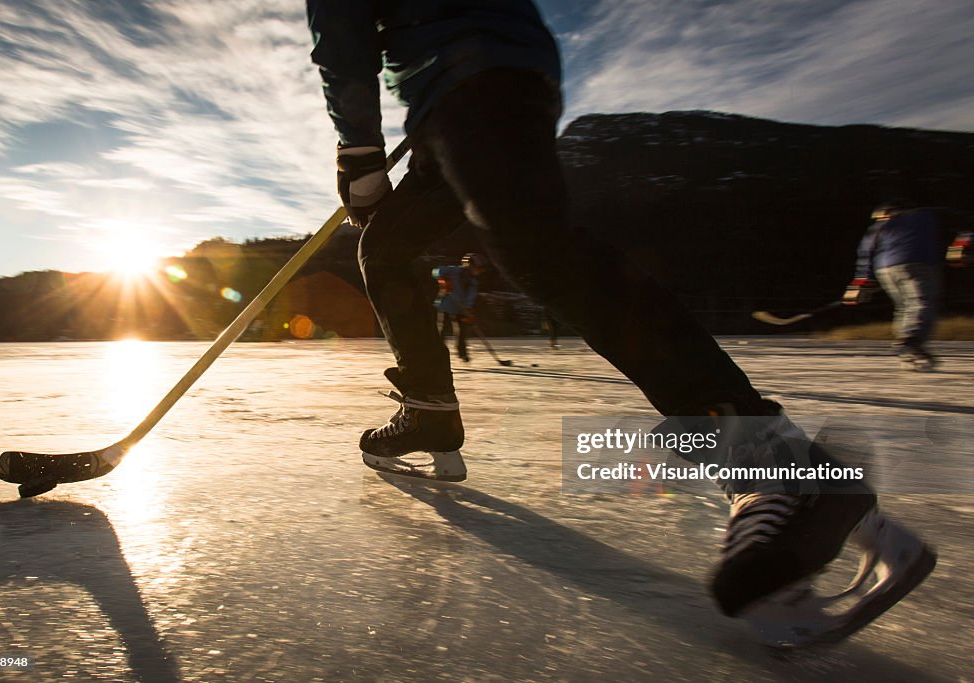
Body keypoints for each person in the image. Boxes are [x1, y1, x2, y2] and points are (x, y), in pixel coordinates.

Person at [306, 0, 934, 644]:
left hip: (473, 69)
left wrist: (358, 149)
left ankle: (771, 463)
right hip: (463, 80)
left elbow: (340, 25)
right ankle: (429, 407)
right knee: (384, 247)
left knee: (537, 251)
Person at [844, 200, 944, 370]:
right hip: (916, 264)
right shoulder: (922, 215)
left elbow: (866, 252)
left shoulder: (879, 226)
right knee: (921, 302)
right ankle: (912, 341)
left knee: (904, 306)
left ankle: (906, 345)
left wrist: (862, 280)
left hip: (885, 269)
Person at [432, 253, 486, 362]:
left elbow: (470, 297)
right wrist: (443, 279)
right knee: (443, 329)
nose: (478, 271)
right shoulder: (453, 271)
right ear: (469, 265)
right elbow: (435, 271)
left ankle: (462, 354)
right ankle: (437, 352)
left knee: (462, 331)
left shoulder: (473, 282)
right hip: (446, 305)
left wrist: (468, 309)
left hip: (460, 308)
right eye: (477, 268)